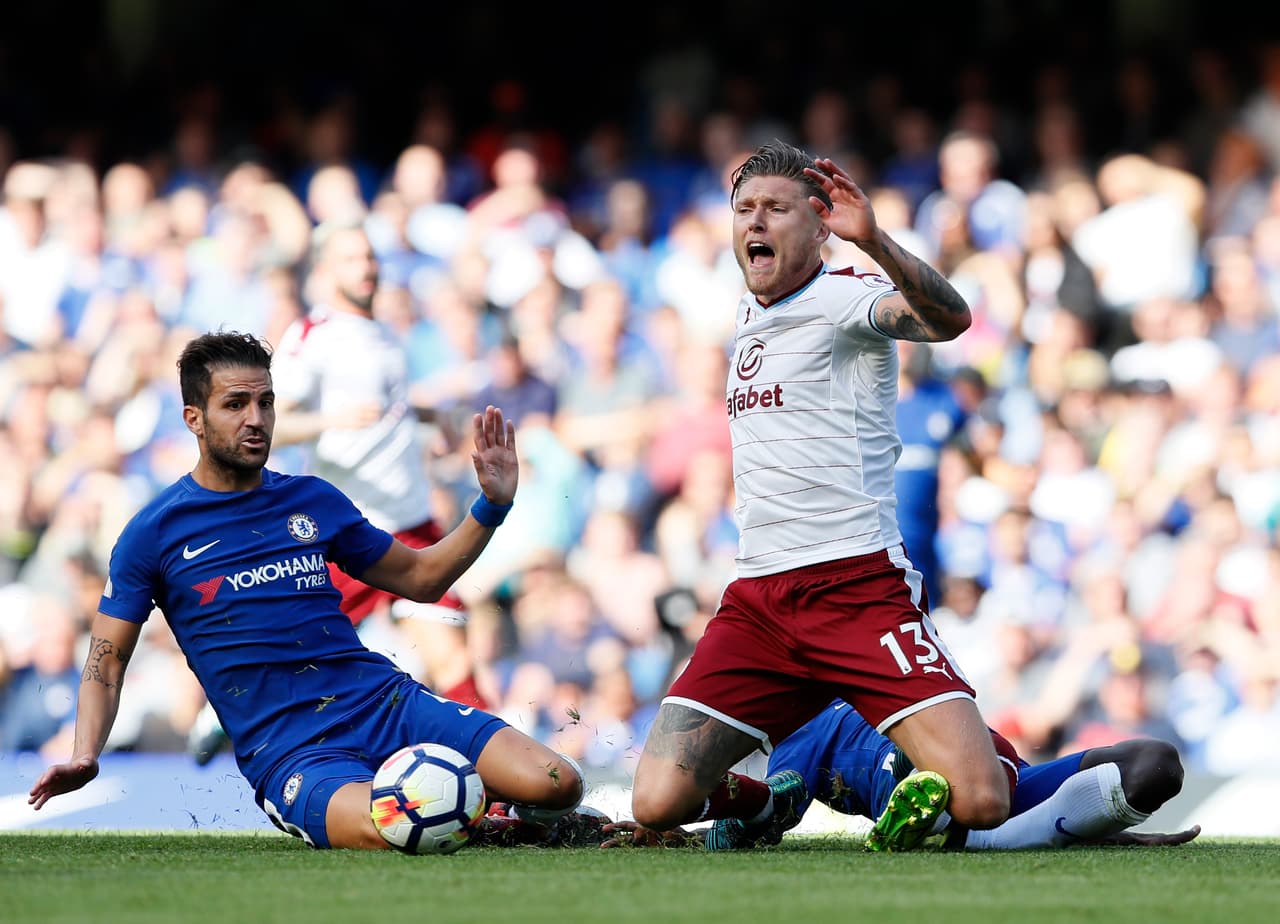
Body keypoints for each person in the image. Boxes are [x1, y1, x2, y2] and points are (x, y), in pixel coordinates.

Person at [28, 331, 590, 850]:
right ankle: (485, 825)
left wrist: (491, 506)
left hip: (384, 702)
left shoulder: (313, 500)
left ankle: (513, 821)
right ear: (193, 419)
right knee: (391, 830)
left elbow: (423, 579)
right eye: (235, 404)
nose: (256, 419)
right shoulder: (154, 532)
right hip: (292, 749)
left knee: (558, 782)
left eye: (266, 403)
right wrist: (85, 753)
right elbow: (107, 660)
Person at [629, 140, 1011, 852]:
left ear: (818, 223)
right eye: (745, 208)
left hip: (856, 585)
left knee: (981, 799)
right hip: (761, 601)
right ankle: (770, 798)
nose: (756, 222)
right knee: (656, 800)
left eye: (775, 208)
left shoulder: (844, 296)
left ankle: (1010, 776)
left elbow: (949, 321)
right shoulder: (746, 313)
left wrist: (876, 241)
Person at [186, 220, 491, 766]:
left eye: (371, 257)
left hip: (411, 524)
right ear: (326, 270)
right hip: (352, 531)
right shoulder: (315, 336)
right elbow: (272, 422)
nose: (368, 268)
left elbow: (388, 405)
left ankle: (496, 789)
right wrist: (335, 419)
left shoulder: (385, 334)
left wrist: (432, 418)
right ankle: (228, 706)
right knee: (292, 648)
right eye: (353, 259)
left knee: (451, 651)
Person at [607, 699, 1198, 851]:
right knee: (934, 785)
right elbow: (778, 804)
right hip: (925, 779)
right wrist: (710, 819)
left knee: (1156, 765)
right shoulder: (792, 746)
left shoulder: (876, 660)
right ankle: (950, 820)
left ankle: (1016, 830)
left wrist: (1095, 822)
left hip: (1005, 775)